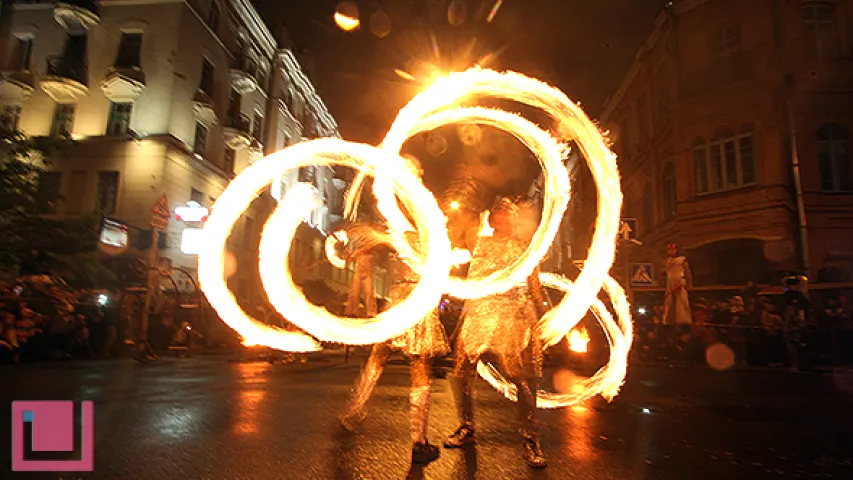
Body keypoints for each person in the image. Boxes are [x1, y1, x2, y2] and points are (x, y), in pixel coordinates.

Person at [443, 196, 550, 468]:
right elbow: (473, 281)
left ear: (514, 219)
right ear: (491, 221)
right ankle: (466, 426)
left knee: (521, 378)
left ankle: (530, 437)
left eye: (506, 214)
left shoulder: (525, 248)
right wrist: (463, 318)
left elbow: (534, 284)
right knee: (460, 371)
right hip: (480, 312)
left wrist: (545, 315)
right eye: (497, 214)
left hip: (511, 314)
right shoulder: (481, 244)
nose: (501, 218)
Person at [339, 224, 449, 465]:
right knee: (418, 366)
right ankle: (419, 441)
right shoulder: (433, 244)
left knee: (379, 357)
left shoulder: (398, 242)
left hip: (399, 302)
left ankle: (353, 412)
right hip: (418, 302)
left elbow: (369, 252)